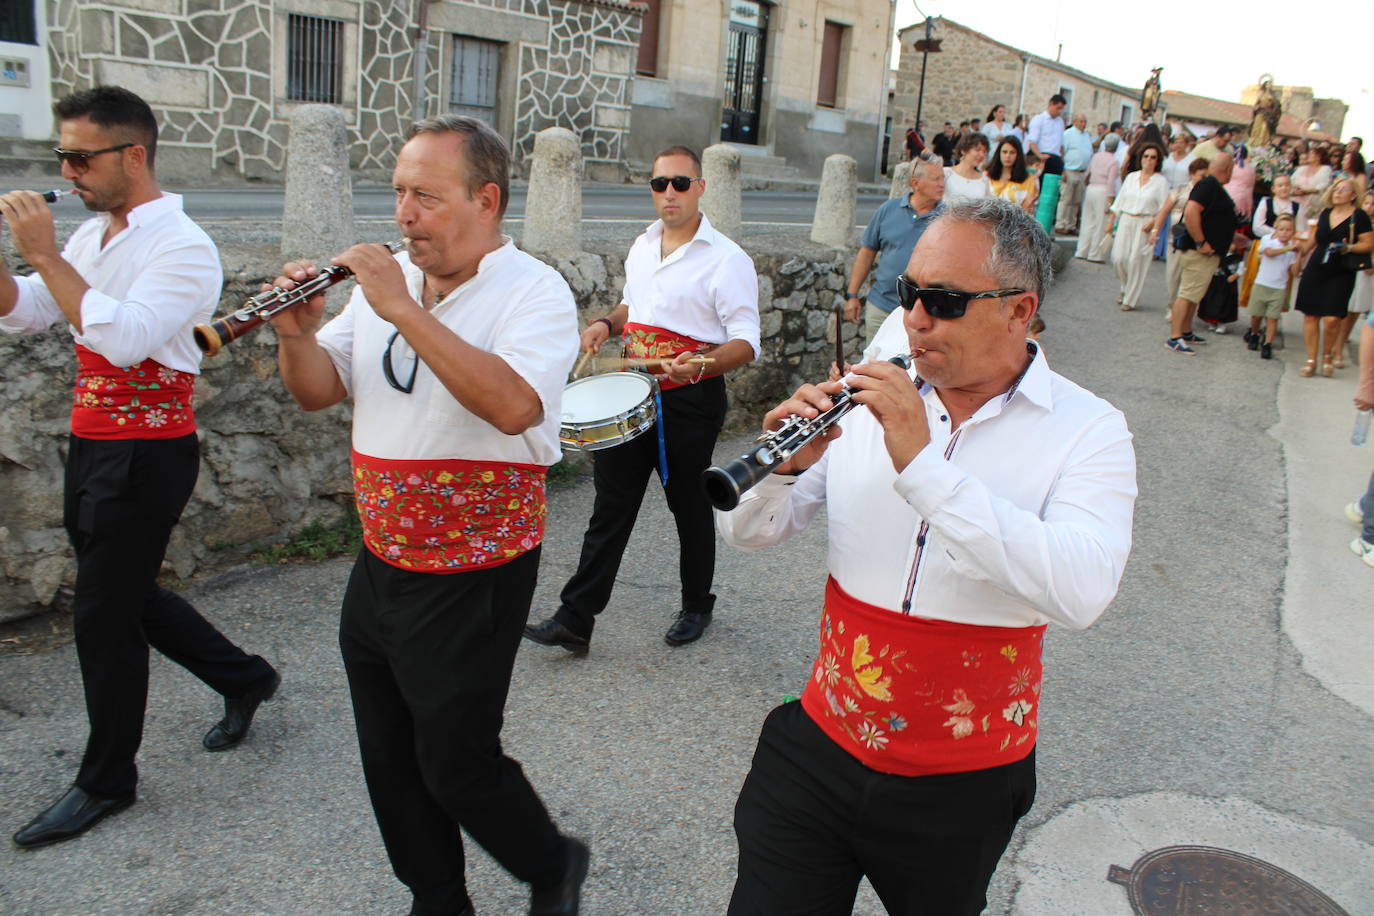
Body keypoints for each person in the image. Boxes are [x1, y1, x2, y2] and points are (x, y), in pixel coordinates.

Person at [717, 196, 1137, 916]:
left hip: (962, 782)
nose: (915, 317)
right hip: (819, 743)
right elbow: (751, 535)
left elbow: (1081, 591)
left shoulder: (1090, 431)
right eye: (910, 293)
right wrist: (786, 468)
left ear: (1018, 309)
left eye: (942, 300)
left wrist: (924, 467)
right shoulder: (871, 394)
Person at [268, 114, 587, 915]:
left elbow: (514, 406)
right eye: (400, 193)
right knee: (388, 755)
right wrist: (293, 335)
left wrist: (403, 308)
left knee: (455, 759)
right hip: (381, 562)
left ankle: (550, 864)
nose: (403, 214)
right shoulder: (387, 291)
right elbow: (318, 390)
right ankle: (437, 897)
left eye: (426, 197)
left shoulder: (534, 291)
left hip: (473, 570)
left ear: (486, 200)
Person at [0, 87, 280, 849]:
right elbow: (31, 308)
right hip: (94, 440)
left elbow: (122, 339)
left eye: (80, 157)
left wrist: (46, 253)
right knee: (121, 593)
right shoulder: (96, 236)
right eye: (62, 156)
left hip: (148, 452)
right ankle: (244, 676)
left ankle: (106, 780)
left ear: (133, 155)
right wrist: (22, 268)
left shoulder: (182, 245)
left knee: (101, 613)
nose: (67, 171)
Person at [525, 146, 760, 653]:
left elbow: (746, 340)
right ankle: (575, 618)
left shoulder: (726, 258)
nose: (669, 193)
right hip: (631, 393)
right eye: (659, 184)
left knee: (688, 505)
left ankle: (697, 604)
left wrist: (703, 364)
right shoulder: (642, 245)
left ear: (700, 187)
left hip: (690, 399)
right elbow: (633, 304)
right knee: (611, 505)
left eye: (680, 183)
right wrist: (606, 324)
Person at [837, 155, 945, 344]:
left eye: (943, 178)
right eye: (936, 179)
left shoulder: (947, 219)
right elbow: (867, 252)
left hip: (923, 314)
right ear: (915, 183)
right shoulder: (888, 210)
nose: (942, 184)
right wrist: (852, 295)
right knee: (874, 362)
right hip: (882, 307)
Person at [1293, 177, 1374, 376]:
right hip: (1316, 267)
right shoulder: (1325, 213)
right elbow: (1313, 241)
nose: (1337, 192)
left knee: (1332, 318)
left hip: (1342, 270)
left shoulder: (1359, 216)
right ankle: (1311, 359)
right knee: (1310, 315)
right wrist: (1298, 252)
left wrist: (1349, 247)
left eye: (1343, 189)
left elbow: (1369, 244)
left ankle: (1327, 355)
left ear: (1353, 194)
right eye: (1335, 189)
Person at [1167, 153, 1238, 354]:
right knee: (1188, 293)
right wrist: (1201, 242)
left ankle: (1186, 331)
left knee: (1194, 294)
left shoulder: (1212, 187)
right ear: (1227, 169)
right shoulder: (1208, 186)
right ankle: (1175, 336)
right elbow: (1191, 212)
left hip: (1208, 252)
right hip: (1200, 252)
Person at [1107, 141, 1170, 311]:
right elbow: (1119, 201)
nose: (1148, 160)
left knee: (1136, 261)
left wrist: (1154, 225)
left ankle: (1130, 298)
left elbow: (1165, 207)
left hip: (1145, 222)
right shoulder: (1131, 177)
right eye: (1146, 156)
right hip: (1126, 219)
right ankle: (1124, 287)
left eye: (1153, 157)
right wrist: (1110, 222)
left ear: (1157, 161)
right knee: (1118, 258)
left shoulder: (1161, 182)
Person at [1155, 157, 1212, 307]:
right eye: (1201, 176)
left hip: (1196, 240)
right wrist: (1156, 231)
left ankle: (1183, 309)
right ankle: (1172, 304)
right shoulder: (1180, 190)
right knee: (1173, 276)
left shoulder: (1210, 194)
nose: (1204, 180)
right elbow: (1164, 211)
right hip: (1177, 238)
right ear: (1192, 174)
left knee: (1191, 278)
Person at [1240, 173, 1298, 315]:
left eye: (1286, 185)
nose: (1284, 188)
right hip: (1265, 245)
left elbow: (1300, 229)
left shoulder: (1296, 207)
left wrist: (1288, 239)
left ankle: (1272, 314)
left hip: (1286, 249)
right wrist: (1278, 234)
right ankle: (1256, 314)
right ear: (1273, 188)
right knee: (1256, 279)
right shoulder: (1266, 203)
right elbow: (1257, 226)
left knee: (1281, 280)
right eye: (1280, 185)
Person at [1244, 214, 1300, 359]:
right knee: (1256, 315)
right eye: (1282, 229)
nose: (1285, 232)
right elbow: (1269, 253)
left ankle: (1267, 343)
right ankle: (1255, 333)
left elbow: (1294, 271)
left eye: (1288, 230)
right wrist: (1289, 249)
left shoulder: (1292, 248)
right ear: (1276, 229)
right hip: (1262, 283)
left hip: (1279, 287)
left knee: (1272, 318)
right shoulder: (1267, 240)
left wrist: (1299, 254)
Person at [1076, 133, 1121, 262]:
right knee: (1100, 223)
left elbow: (1087, 173)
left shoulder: (1095, 156)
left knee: (1087, 220)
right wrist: (1111, 199)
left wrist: (1086, 184)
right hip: (1103, 190)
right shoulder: (1113, 161)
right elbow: (1111, 182)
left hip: (1091, 187)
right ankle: (1094, 253)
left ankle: (1081, 250)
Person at [1156, 129, 1196, 259]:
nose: (1178, 145)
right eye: (1176, 142)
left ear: (1186, 144)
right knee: (1162, 217)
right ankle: (1157, 249)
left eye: (1182, 142)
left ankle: (1172, 248)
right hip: (1167, 190)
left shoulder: (1191, 159)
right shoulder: (1168, 158)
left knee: (1175, 221)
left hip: (1182, 191)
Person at [1057, 113, 1094, 234]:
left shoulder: (1087, 136)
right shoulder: (1068, 134)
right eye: (1081, 121)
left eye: (1085, 122)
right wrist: (1062, 170)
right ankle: (1060, 223)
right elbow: (1062, 152)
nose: (1083, 124)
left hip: (1081, 172)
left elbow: (1089, 152)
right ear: (1075, 122)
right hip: (1069, 170)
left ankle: (1071, 224)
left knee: (1076, 201)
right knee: (1066, 199)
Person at [988, 136, 1038, 215]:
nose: (1008, 156)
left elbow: (1028, 210)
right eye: (1004, 152)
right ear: (999, 153)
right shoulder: (987, 176)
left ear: (1018, 155)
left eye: (1012, 152)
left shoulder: (1028, 179)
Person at [1026, 94, 1067, 176]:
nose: (1059, 111)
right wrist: (1039, 156)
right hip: (1042, 158)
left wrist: (1063, 162)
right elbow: (1032, 142)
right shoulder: (1039, 119)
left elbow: (1061, 145)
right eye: (1058, 108)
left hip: (1056, 159)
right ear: (1051, 104)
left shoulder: (1060, 122)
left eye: (1061, 109)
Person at [1292, 146, 1333, 229]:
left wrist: (1305, 191)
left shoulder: (1325, 169)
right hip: (1295, 202)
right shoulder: (1301, 168)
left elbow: (1323, 186)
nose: (1308, 155)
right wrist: (1294, 191)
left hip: (1312, 206)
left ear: (1318, 157)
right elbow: (1292, 182)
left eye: (1311, 154)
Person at [944, 132, 991, 202]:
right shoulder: (946, 173)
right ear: (963, 150)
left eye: (984, 151)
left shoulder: (984, 180)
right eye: (977, 150)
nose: (981, 154)